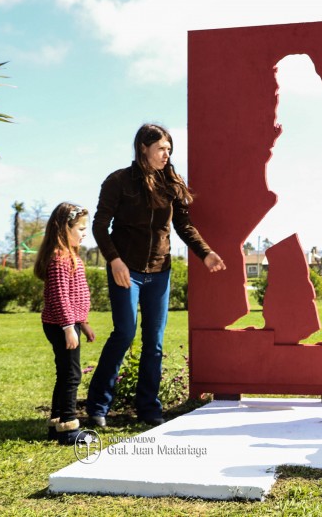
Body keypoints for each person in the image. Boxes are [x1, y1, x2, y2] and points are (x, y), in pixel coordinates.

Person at [86, 123, 226, 428]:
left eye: (169, 149)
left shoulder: (170, 184)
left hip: (159, 272)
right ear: (143, 148)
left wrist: (205, 253)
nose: (167, 154)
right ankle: (97, 405)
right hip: (127, 270)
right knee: (124, 332)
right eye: (161, 148)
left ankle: (149, 407)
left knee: (155, 342)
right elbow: (100, 225)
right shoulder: (118, 181)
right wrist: (114, 261)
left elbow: (184, 227)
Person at [34, 202, 96, 445]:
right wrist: (69, 327)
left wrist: (84, 322)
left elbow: (74, 296)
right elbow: (60, 297)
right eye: (80, 228)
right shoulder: (60, 259)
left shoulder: (69, 256)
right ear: (64, 228)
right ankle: (69, 429)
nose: (84, 233)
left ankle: (57, 425)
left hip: (66, 322)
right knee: (72, 375)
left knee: (65, 374)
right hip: (62, 324)